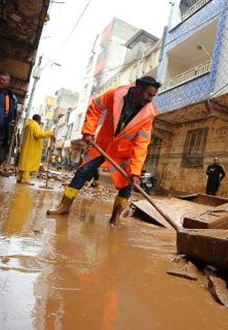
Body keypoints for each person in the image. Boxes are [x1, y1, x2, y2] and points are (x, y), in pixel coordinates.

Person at [47, 76, 161, 225]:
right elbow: (95, 106)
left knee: (126, 184)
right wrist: (89, 131)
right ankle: (65, 206)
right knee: (83, 171)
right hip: (103, 145)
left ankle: (115, 218)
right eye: (149, 94)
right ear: (139, 88)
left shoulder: (148, 113)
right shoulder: (115, 94)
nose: (150, 99)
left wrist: (135, 172)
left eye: (153, 96)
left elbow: (142, 143)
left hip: (123, 152)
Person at [16, 114, 54, 185]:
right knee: (28, 165)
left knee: (23, 164)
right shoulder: (35, 125)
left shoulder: (28, 125)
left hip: (26, 147)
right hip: (31, 148)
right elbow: (38, 134)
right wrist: (49, 133)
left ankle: (19, 178)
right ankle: (25, 179)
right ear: (38, 120)